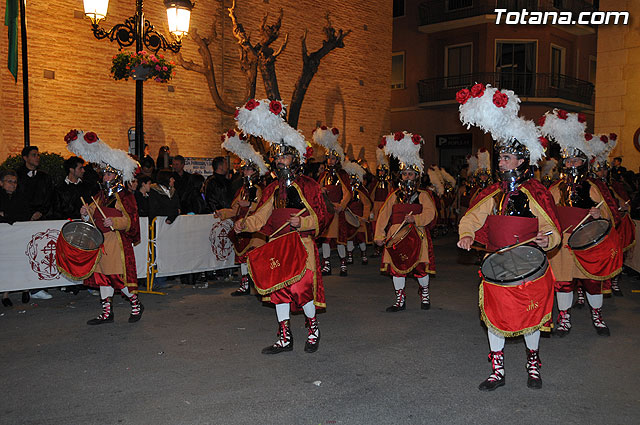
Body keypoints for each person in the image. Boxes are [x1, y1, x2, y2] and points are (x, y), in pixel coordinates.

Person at [456, 84, 562, 390]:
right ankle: (497, 370)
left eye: (506, 158)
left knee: (531, 318)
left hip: (531, 267)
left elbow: (552, 229)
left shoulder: (536, 193)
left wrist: (548, 240)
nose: (500, 162)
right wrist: (466, 235)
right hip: (497, 264)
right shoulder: (492, 193)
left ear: (520, 161)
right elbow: (471, 219)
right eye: (500, 157)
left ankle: (533, 365)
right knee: (495, 317)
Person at [234, 98, 330, 354]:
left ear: (295, 158)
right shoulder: (272, 188)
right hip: (278, 245)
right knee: (279, 292)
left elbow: (322, 217)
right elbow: (261, 216)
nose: (279, 161)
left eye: (284, 156)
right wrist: (243, 225)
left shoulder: (309, 185)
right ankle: (284, 337)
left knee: (301, 289)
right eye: (277, 157)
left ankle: (313, 329)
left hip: (301, 245)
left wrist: (303, 222)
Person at [539, 109, 622, 338]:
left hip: (587, 242)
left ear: (583, 162)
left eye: (576, 159)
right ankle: (564, 317)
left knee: (592, 282)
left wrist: (598, 213)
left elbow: (607, 213)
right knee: (563, 282)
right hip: (563, 243)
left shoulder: (592, 187)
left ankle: (597, 314)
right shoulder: (555, 188)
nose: (572, 163)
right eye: (568, 159)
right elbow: (546, 214)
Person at [65, 129, 143, 325]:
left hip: (115, 242)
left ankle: (136, 304)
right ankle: (107, 313)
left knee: (117, 277)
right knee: (101, 278)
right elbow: (94, 211)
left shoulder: (125, 196)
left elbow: (130, 220)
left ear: (116, 175)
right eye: (104, 173)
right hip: (99, 242)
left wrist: (115, 222)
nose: (104, 176)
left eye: (108, 173)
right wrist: (85, 211)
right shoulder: (100, 195)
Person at [374, 131, 437, 312]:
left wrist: (415, 219)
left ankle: (424, 293)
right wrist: (379, 235)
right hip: (395, 236)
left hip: (417, 235)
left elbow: (430, 213)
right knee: (396, 269)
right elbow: (384, 215)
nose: (407, 177)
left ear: (416, 176)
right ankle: (400, 300)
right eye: (404, 174)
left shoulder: (423, 195)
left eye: (410, 174)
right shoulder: (394, 195)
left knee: (421, 268)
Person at [217, 129, 269, 295]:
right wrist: (222, 213)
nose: (245, 172)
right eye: (244, 170)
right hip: (241, 228)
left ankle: (262, 284)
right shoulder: (242, 189)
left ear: (255, 172)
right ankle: (245, 285)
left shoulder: (259, 189)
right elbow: (235, 209)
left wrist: (249, 205)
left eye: (248, 170)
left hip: (254, 229)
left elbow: (261, 209)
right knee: (243, 259)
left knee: (255, 258)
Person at [313, 126, 352, 276]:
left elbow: (347, 193)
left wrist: (342, 205)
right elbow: (317, 190)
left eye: (333, 158)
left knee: (340, 239)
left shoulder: (342, 174)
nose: (330, 160)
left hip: (338, 210)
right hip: (327, 210)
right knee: (326, 239)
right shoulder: (323, 175)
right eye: (329, 157)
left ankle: (343, 264)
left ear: (338, 159)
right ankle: (327, 264)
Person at [0, 170, 35, 305]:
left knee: (22, 263)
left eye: (15, 182)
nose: (13, 185)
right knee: (7, 265)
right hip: (4, 238)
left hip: (19, 236)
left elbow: (24, 215)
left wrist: (6, 215)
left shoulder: (21, 197)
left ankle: (25, 289)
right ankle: (6, 294)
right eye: (9, 182)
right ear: (1, 183)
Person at [344, 161, 372, 265]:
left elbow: (367, 204)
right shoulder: (346, 190)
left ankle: (364, 255)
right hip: (349, 217)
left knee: (361, 238)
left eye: (352, 178)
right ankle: (350, 255)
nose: (350, 180)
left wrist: (365, 216)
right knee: (350, 237)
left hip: (360, 218)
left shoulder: (361, 191)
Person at [15, 146, 54, 221]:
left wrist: (41, 212)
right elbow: (17, 197)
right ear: (25, 158)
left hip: (43, 217)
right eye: (34, 155)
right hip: (22, 217)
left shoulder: (45, 177)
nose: (37, 157)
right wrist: (30, 214)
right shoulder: (17, 176)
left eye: (38, 155)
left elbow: (49, 196)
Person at [369, 147, 393, 258]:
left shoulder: (389, 183)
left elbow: (391, 196)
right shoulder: (375, 183)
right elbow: (371, 197)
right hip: (376, 207)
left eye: (383, 171)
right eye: (380, 171)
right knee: (375, 228)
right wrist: (371, 209)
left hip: (385, 207)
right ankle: (376, 248)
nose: (381, 172)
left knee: (386, 227)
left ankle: (386, 248)